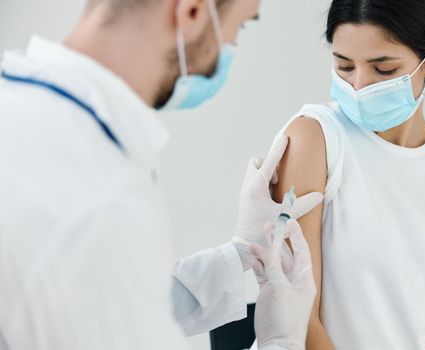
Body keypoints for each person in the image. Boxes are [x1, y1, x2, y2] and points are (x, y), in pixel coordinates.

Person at [0, 0, 323, 349]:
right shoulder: (98, 196)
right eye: (240, 26)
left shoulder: (22, 110)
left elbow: (103, 296)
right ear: (193, 12)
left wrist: (240, 252)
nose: (231, 45)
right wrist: (280, 341)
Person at [273, 0, 425, 349]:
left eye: (384, 70)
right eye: (344, 66)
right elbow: (295, 314)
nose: (359, 86)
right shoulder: (315, 140)